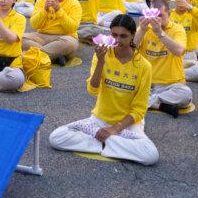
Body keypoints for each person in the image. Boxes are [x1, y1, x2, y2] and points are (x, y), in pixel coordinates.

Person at [48, 14, 159, 165]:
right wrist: (101, 62)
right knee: (56, 137)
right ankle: (108, 143)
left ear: (133, 35)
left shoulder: (144, 66)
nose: (118, 40)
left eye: (123, 36)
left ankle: (103, 142)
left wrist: (114, 129)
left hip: (127, 125)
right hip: (99, 120)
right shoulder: (102, 55)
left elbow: (139, 109)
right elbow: (92, 90)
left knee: (150, 155)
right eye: (114, 35)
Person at [136, 0, 193, 116]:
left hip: (171, 86)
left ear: (170, 14)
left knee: (186, 95)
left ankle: (144, 102)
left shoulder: (178, 29)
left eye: (160, 15)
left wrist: (159, 33)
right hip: (147, 84)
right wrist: (141, 30)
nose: (157, 19)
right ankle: (158, 104)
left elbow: (179, 51)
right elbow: (131, 49)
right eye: (153, 16)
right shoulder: (144, 28)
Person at [22, 0, 81, 64]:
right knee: (21, 38)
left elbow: (72, 27)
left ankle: (31, 56)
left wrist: (59, 10)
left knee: (70, 44)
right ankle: (54, 55)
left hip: (65, 37)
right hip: (42, 36)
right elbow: (34, 25)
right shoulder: (42, 0)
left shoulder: (73, 2)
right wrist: (44, 10)